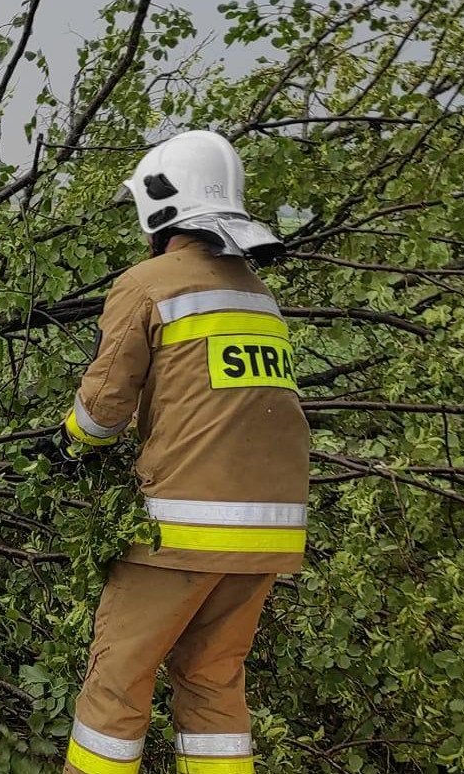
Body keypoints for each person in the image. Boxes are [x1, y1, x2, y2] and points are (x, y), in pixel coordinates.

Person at [60, 130, 310, 774]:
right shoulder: (259, 296)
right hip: (266, 535)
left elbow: (104, 407)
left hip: (184, 527)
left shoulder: (150, 284)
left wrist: (70, 442)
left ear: (159, 208)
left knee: (118, 680)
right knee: (212, 682)